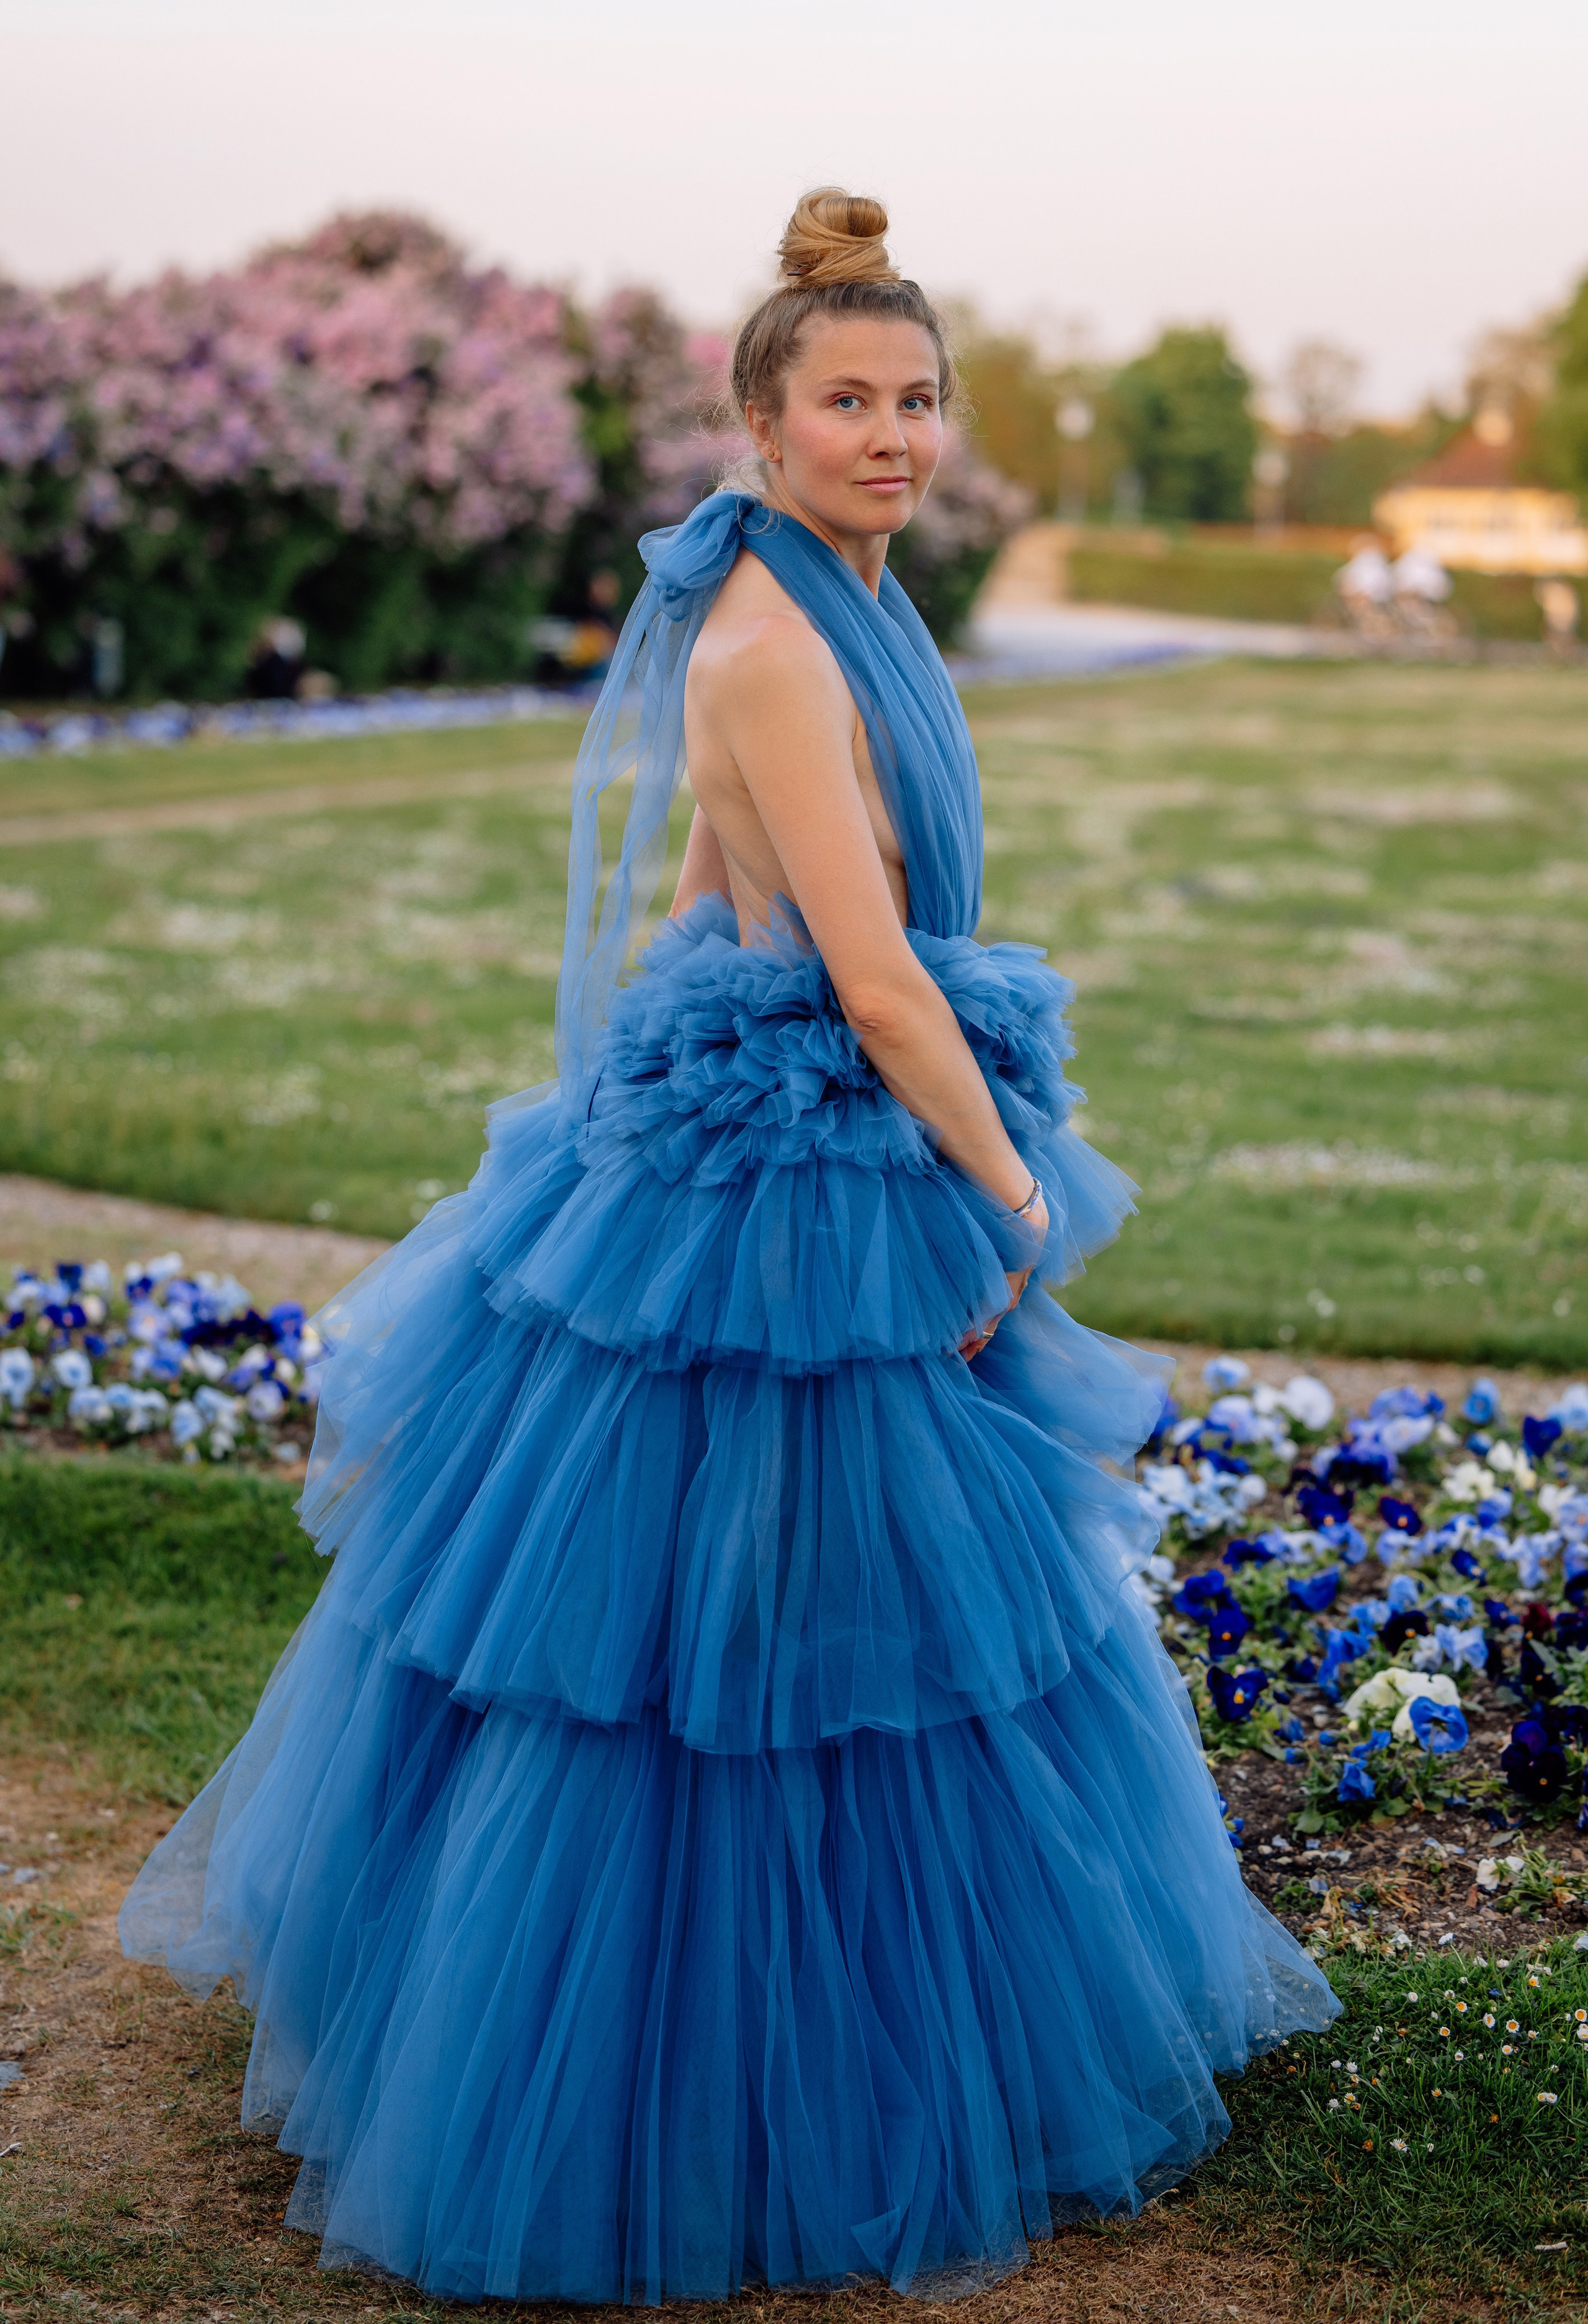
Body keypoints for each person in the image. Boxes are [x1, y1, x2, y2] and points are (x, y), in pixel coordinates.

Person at [119, 189, 1337, 2304]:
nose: (891, 432)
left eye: (917, 397)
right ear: (758, 425)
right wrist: (1016, 1197)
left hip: (771, 1124)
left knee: (861, 1616)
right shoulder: (777, 644)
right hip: (819, 1163)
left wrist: (651, 1092)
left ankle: (861, 2008)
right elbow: (875, 988)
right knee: (731, 1640)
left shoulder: (844, 610)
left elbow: (702, 886)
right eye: (845, 400)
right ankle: (684, 2084)